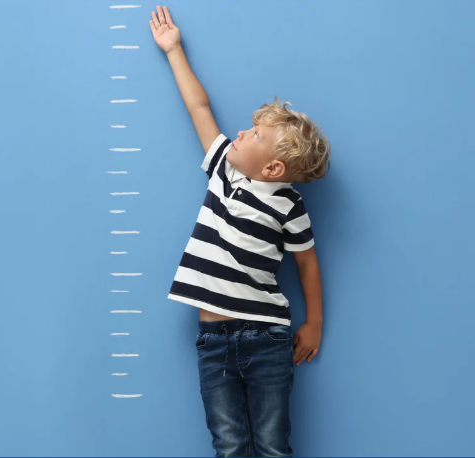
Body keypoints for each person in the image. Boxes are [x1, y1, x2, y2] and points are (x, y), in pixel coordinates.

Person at [150, 5, 330, 456]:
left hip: (267, 338)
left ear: (273, 168)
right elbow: (198, 106)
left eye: (254, 134)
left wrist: (314, 323)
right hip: (212, 341)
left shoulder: (289, 204)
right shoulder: (223, 171)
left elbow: (307, 263)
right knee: (228, 446)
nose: (241, 133)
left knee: (272, 446)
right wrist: (173, 50)